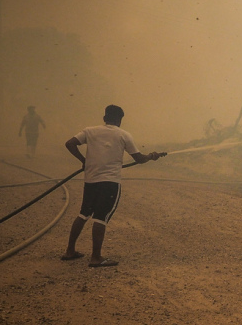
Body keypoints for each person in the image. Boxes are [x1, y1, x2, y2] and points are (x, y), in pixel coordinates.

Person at [61, 104, 166, 267]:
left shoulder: (90, 131)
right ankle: (96, 257)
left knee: (83, 214)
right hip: (109, 182)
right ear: (120, 120)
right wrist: (151, 156)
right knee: (101, 218)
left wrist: (84, 161)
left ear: (104, 118)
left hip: (90, 180)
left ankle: (70, 251)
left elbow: (69, 144)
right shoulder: (123, 135)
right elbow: (139, 158)